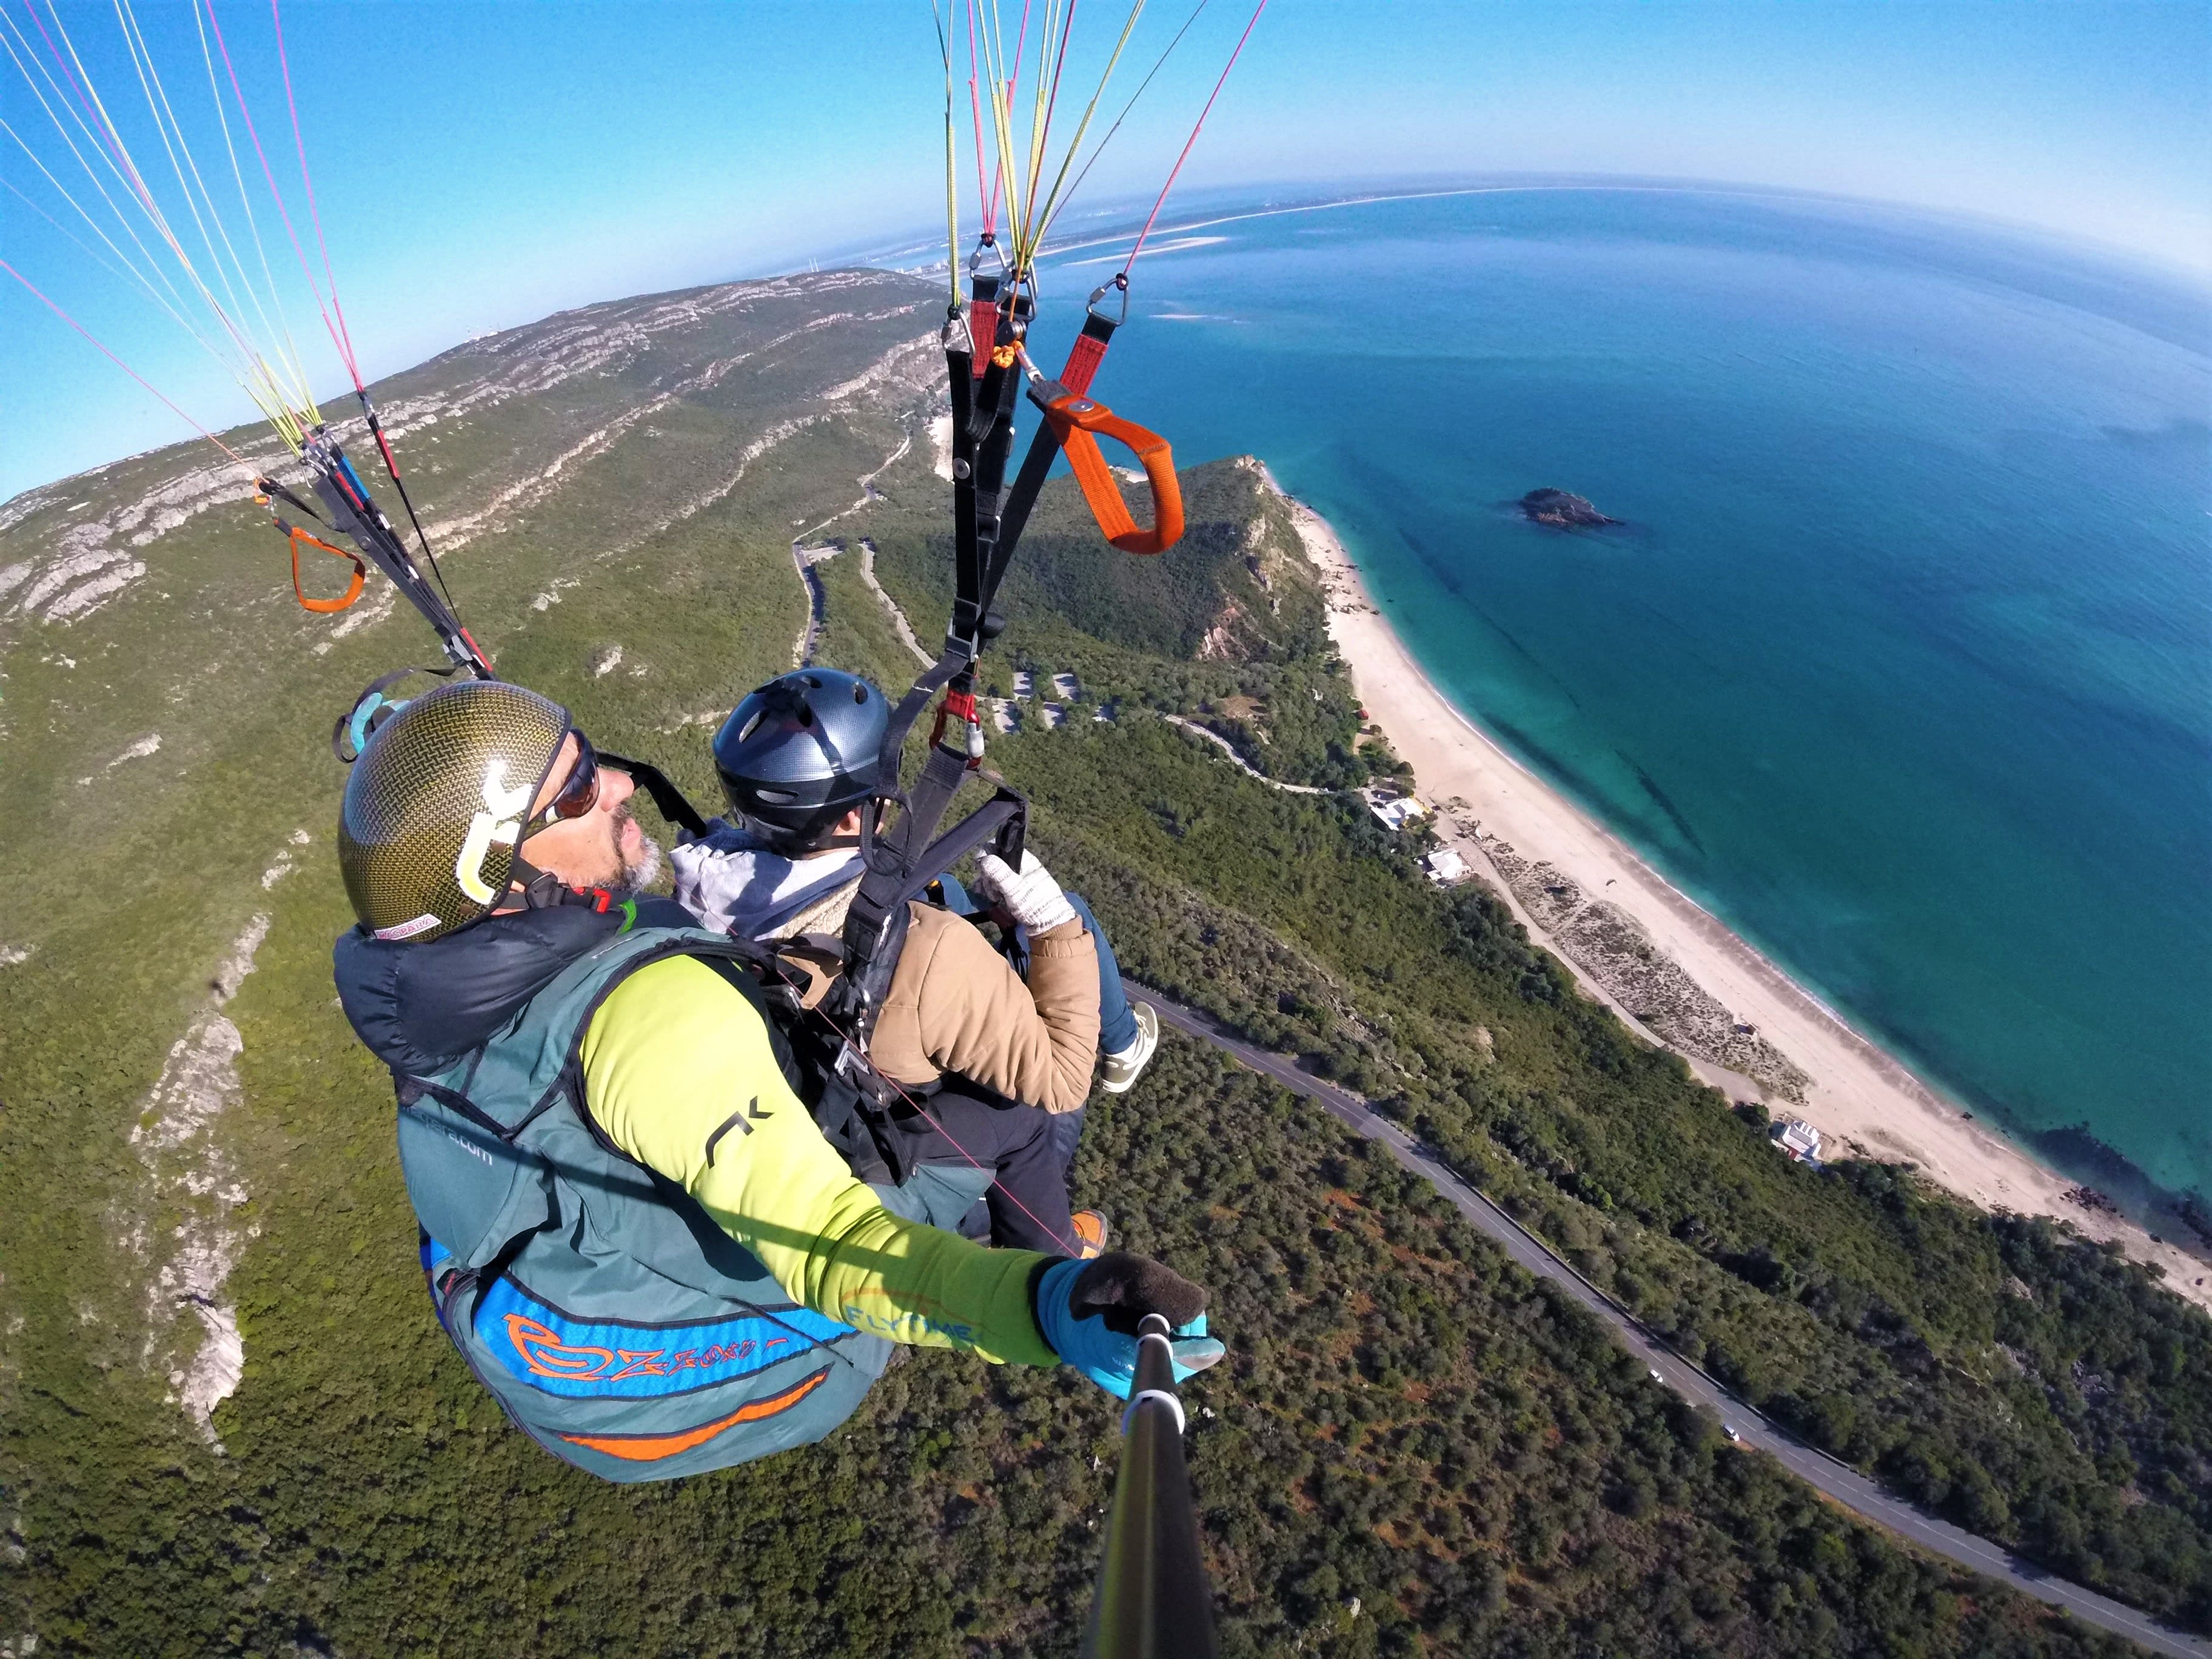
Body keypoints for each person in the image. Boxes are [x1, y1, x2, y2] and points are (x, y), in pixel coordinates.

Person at [330, 678, 1221, 1483]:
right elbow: (834, 1249)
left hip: (548, 1285)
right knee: (1021, 1117)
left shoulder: (425, 984)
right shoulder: (662, 1020)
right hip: (698, 1357)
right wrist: (1045, 1307)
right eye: (576, 788)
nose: (620, 783)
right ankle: (1052, 1246)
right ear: (499, 869)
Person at [672, 669, 1160, 1186]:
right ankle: (1123, 1049)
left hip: (827, 1007)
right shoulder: (935, 952)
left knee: (950, 891)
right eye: (886, 782)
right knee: (1072, 913)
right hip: (910, 1069)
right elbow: (1063, 1082)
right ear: (848, 822)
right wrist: (1052, 925)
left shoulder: (702, 887)